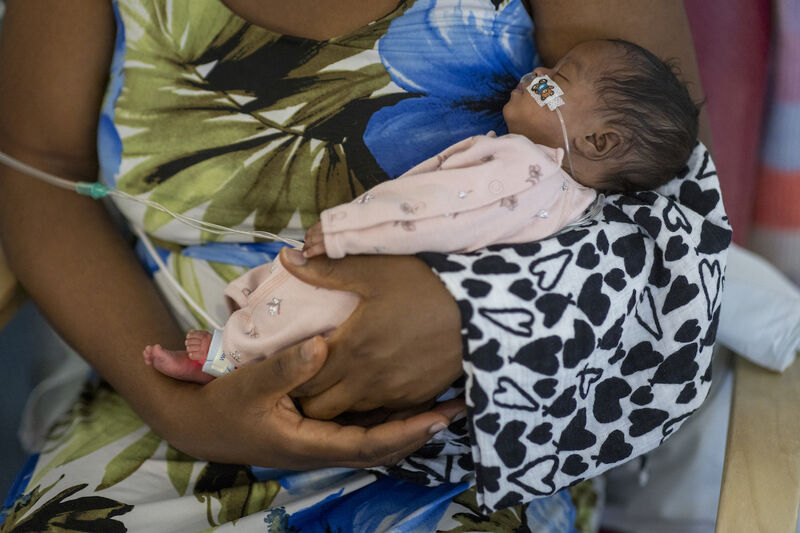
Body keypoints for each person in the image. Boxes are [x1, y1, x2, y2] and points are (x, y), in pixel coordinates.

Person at [0, 1, 727, 530]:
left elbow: (671, 199)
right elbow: (39, 164)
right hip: (171, 384)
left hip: (463, 435)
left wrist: (469, 313)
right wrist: (185, 410)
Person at [141, 39, 699, 387]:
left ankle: (227, 357)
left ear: (598, 143)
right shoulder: (571, 205)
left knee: (311, 300)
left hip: (387, 266)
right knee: (325, 346)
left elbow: (433, 212)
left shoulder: (521, 163)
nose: (537, 73)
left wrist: (341, 230)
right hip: (434, 325)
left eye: (558, 79)